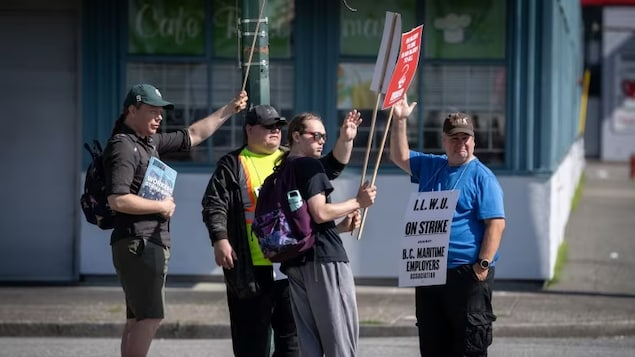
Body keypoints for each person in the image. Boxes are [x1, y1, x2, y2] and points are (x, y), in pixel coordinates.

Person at [201, 105, 363, 357]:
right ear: (249, 129)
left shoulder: (291, 160)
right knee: (252, 339)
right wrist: (220, 239)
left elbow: (330, 167)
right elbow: (214, 204)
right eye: (268, 126)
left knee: (293, 342)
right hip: (251, 268)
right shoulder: (234, 163)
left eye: (278, 126)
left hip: (289, 264)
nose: (275, 131)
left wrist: (345, 139)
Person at [104, 83, 248, 357]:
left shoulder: (148, 142)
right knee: (151, 317)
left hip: (141, 243)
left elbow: (193, 134)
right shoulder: (124, 147)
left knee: (136, 319)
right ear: (132, 111)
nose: (159, 117)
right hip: (140, 243)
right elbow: (118, 199)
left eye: (161, 112)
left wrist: (230, 109)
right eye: (152, 111)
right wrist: (161, 206)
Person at [389, 95, 506, 357]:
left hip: (467, 274)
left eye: (465, 138)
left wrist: (482, 265)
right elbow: (399, 156)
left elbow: (496, 224)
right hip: (429, 270)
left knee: (468, 347)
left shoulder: (482, 177)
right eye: (454, 138)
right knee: (432, 344)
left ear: (474, 141)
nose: (460, 143)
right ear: (444, 141)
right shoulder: (432, 165)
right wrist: (400, 121)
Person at [277, 112, 377, 357]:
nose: (321, 140)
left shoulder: (284, 168)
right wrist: (357, 201)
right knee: (340, 342)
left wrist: (346, 138)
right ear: (297, 136)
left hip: (296, 263)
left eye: (324, 136)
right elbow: (320, 212)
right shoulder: (308, 166)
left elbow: (333, 167)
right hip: (324, 263)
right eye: (316, 136)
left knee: (310, 344)